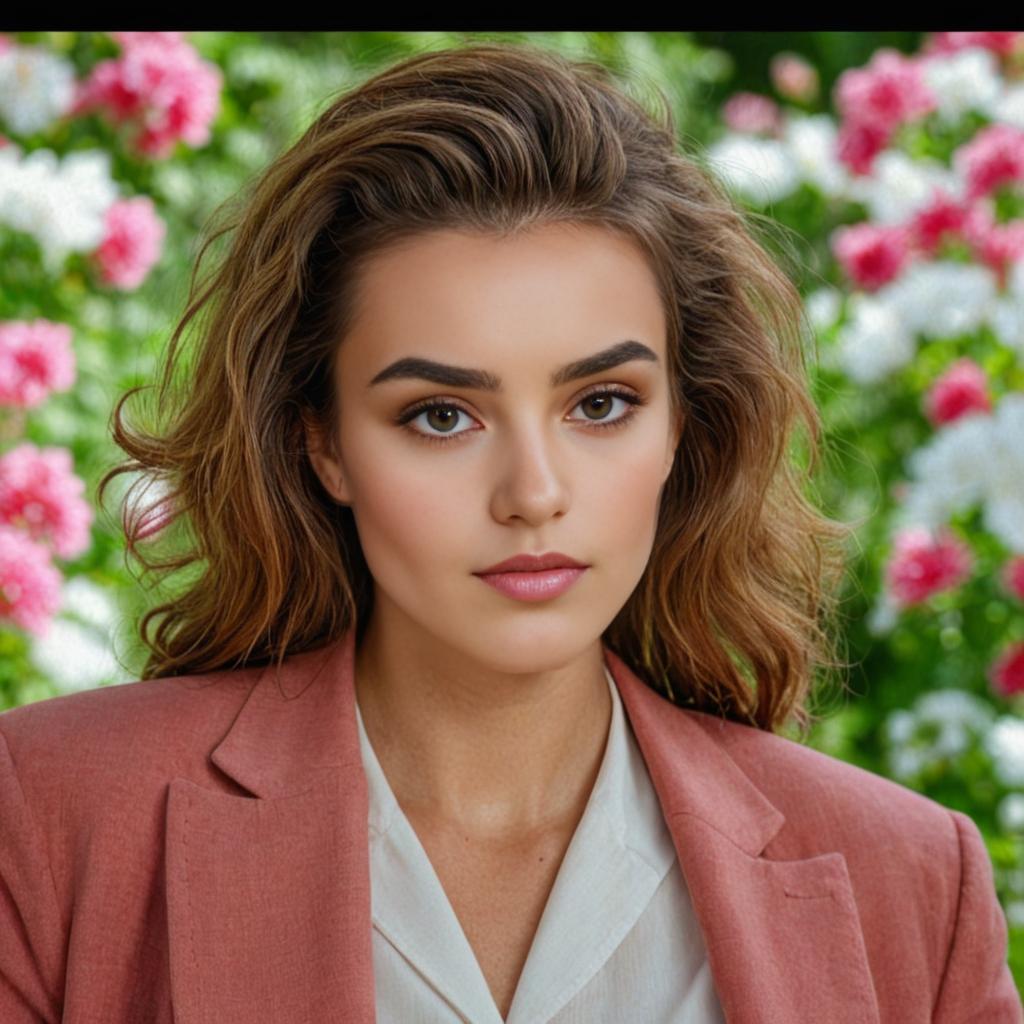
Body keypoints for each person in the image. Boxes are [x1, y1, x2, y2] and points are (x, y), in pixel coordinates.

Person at [0, 39, 1020, 1024]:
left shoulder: (912, 883)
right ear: (324, 447)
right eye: (441, 415)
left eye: (602, 403)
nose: (534, 493)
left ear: (682, 425)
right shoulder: (50, 816)